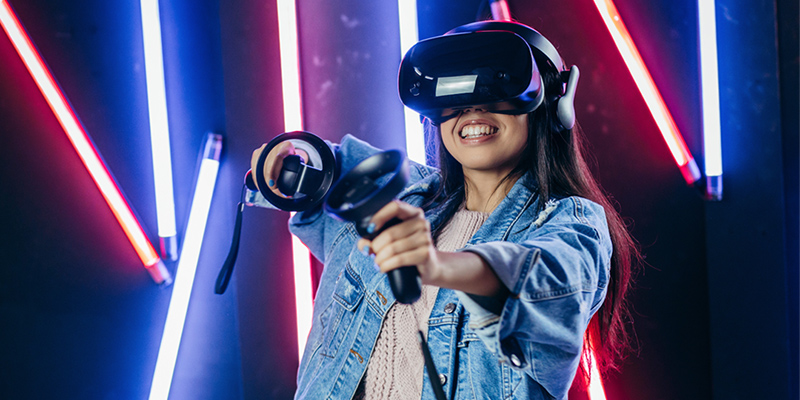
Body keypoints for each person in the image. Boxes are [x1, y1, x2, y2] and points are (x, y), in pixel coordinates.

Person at [250, 20, 638, 400]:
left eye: (498, 85)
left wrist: (436, 265)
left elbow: (541, 278)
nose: (472, 110)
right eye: (453, 99)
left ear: (553, 101)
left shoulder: (573, 223)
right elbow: (311, 169)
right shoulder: (403, 195)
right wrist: (276, 165)